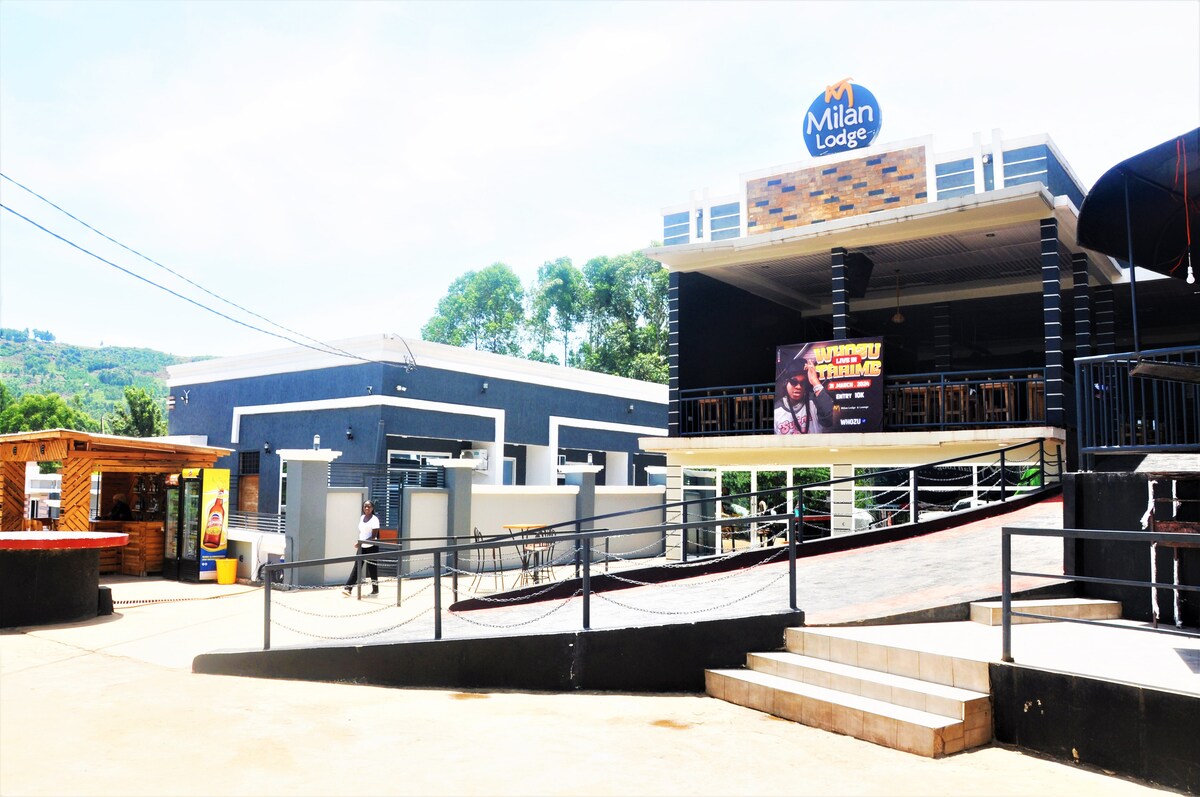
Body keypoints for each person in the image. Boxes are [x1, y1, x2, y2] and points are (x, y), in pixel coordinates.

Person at [774, 354, 834, 435]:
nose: (798, 387)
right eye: (794, 382)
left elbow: (828, 420)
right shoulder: (776, 410)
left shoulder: (814, 401)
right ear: (785, 383)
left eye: (803, 382)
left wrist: (814, 381)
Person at [343, 500, 380, 596]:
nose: (367, 508)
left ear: (372, 508)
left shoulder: (375, 519)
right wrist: (360, 542)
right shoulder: (362, 517)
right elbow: (362, 532)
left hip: (372, 547)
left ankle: (375, 590)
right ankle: (348, 589)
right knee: (357, 567)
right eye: (365, 506)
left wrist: (360, 543)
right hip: (362, 547)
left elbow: (373, 537)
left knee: (372, 569)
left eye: (369, 507)